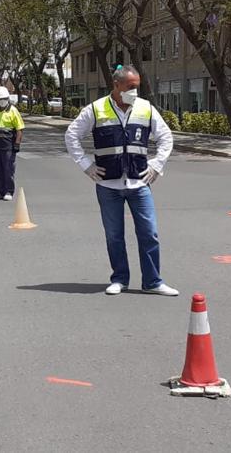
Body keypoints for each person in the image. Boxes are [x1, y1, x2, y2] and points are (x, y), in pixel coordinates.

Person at [64, 65, 178, 297]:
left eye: (138, 86)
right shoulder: (96, 109)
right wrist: (86, 165)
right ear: (117, 85)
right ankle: (119, 279)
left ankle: (153, 281)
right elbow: (71, 135)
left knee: (149, 233)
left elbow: (165, 137)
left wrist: (156, 165)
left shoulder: (145, 108)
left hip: (139, 184)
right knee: (114, 235)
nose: (135, 91)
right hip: (109, 185)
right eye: (131, 87)